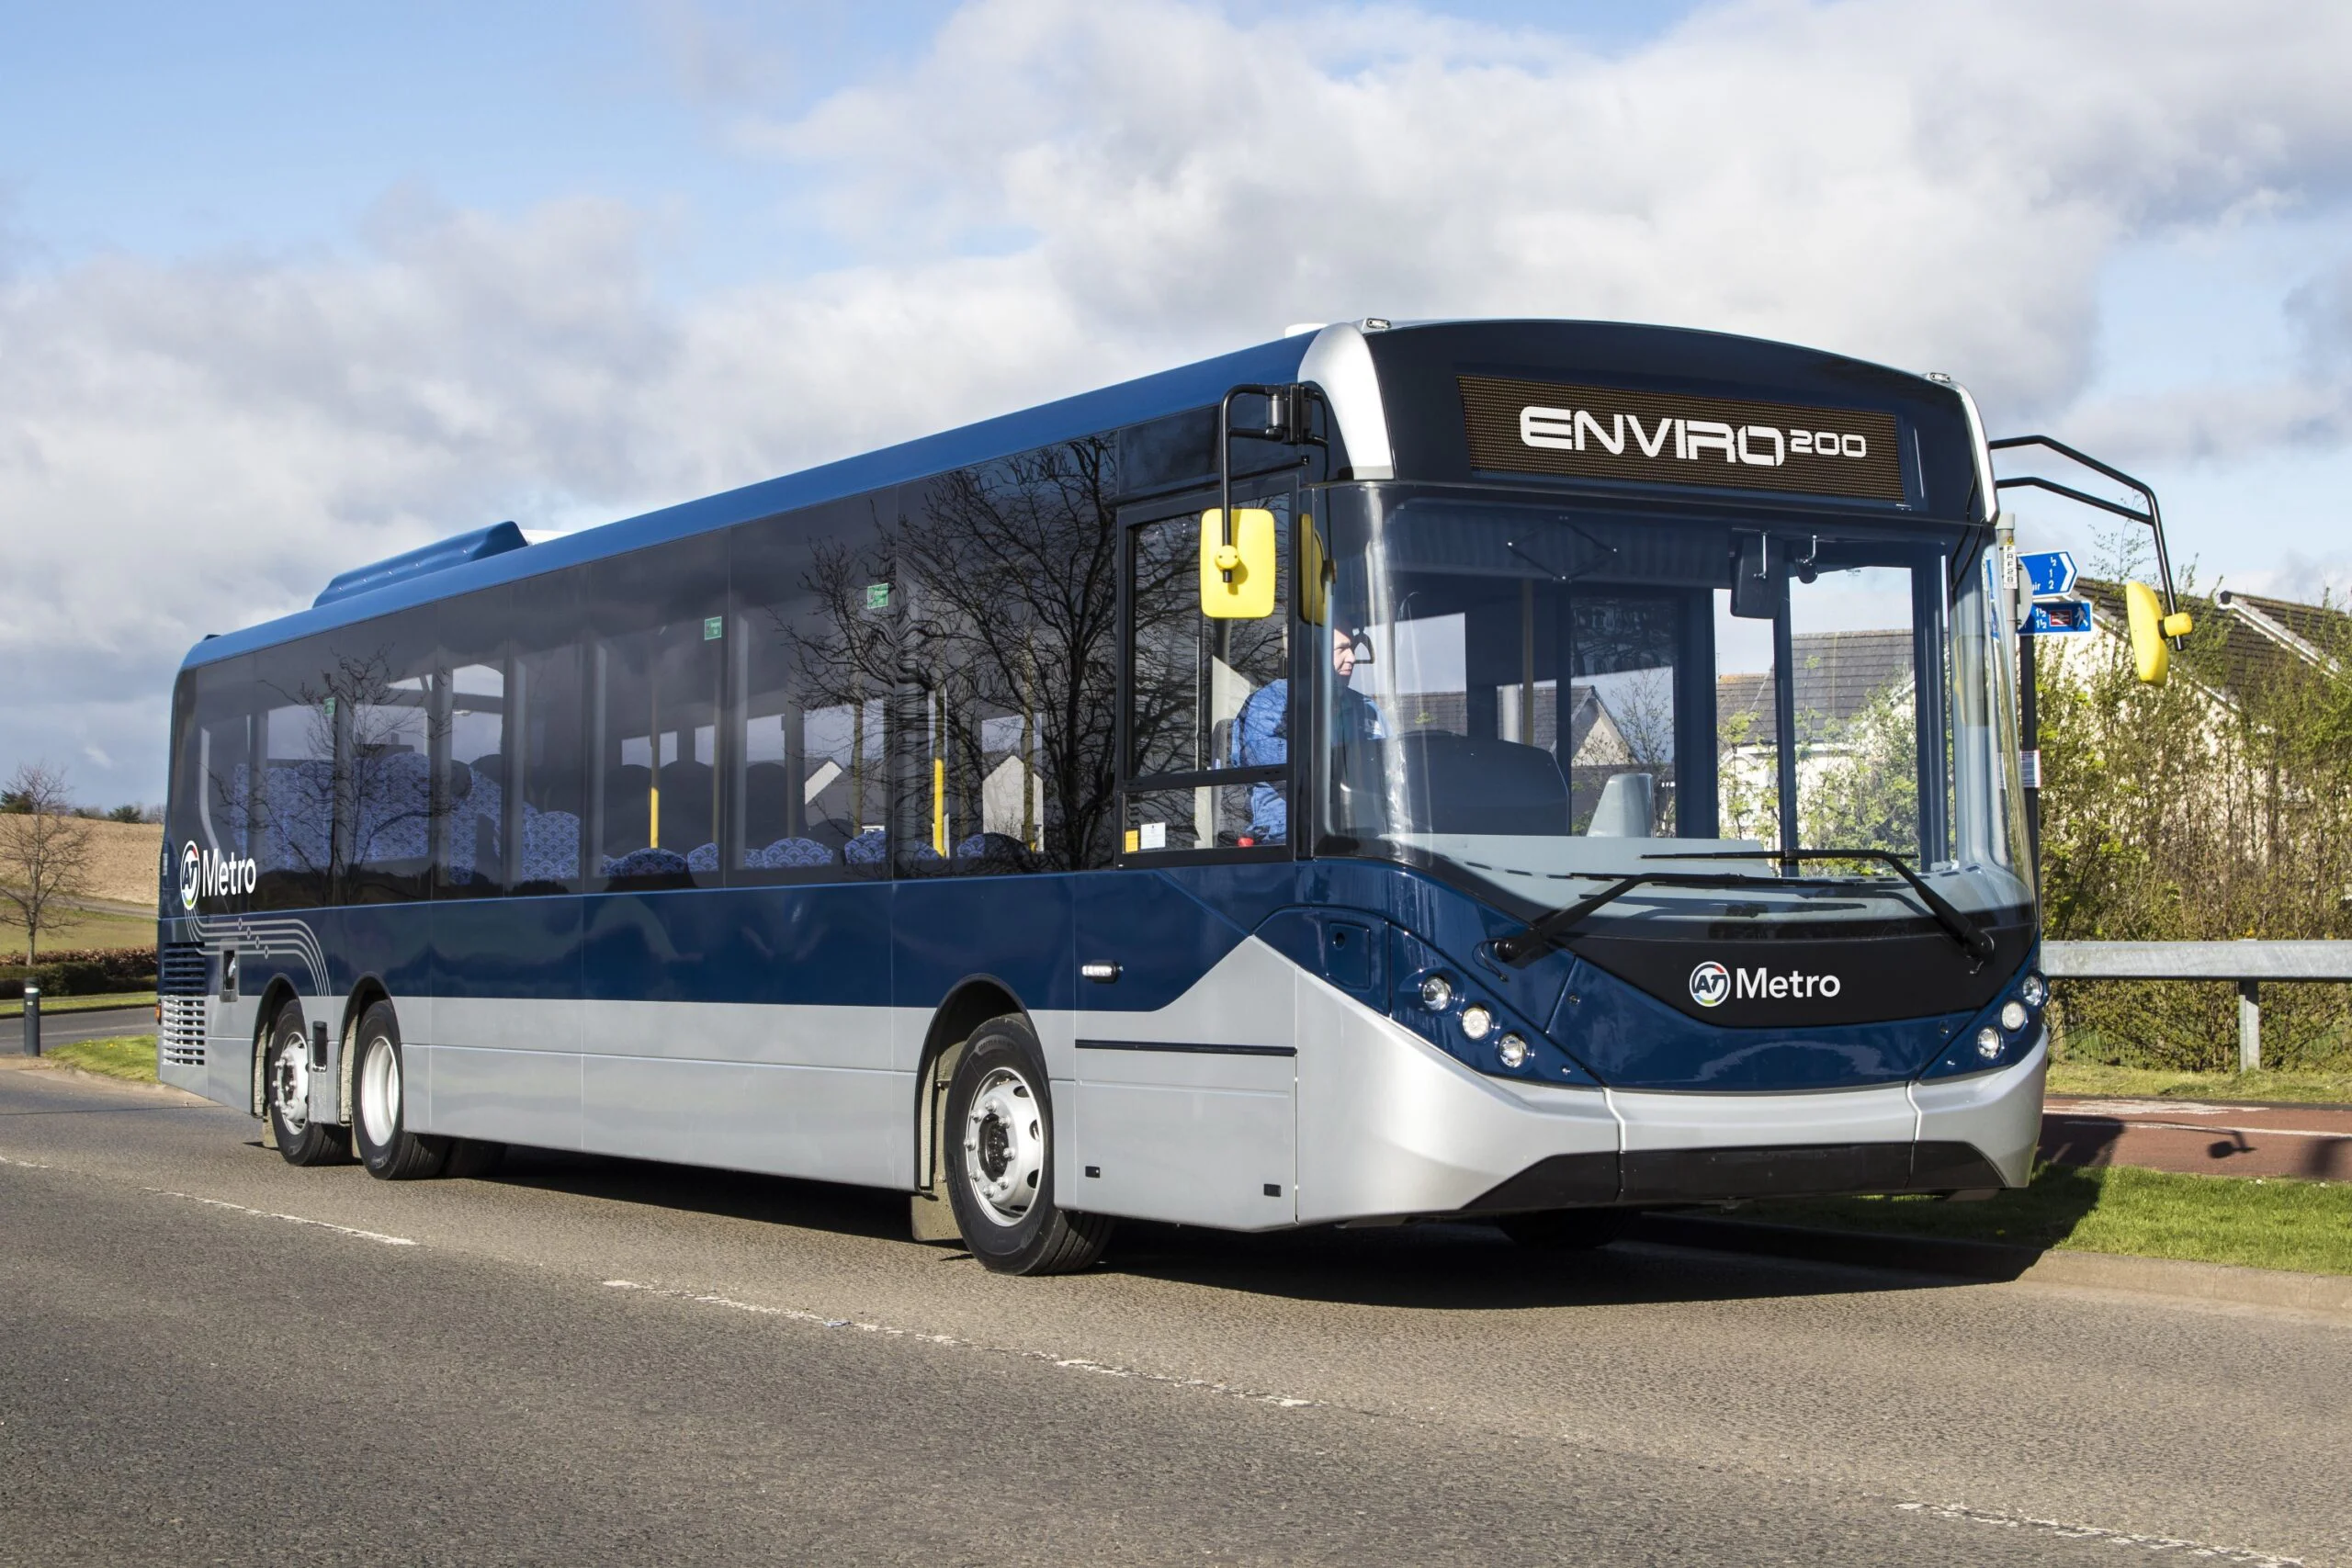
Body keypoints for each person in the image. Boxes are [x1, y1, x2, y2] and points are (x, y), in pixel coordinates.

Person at [1227, 625, 1385, 843]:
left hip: (1363, 834)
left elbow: (1388, 770)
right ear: (1314, 655)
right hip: (1287, 840)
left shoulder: (1366, 708)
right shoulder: (1271, 703)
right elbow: (1292, 770)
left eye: (1353, 649)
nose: (1352, 658)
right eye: (1342, 649)